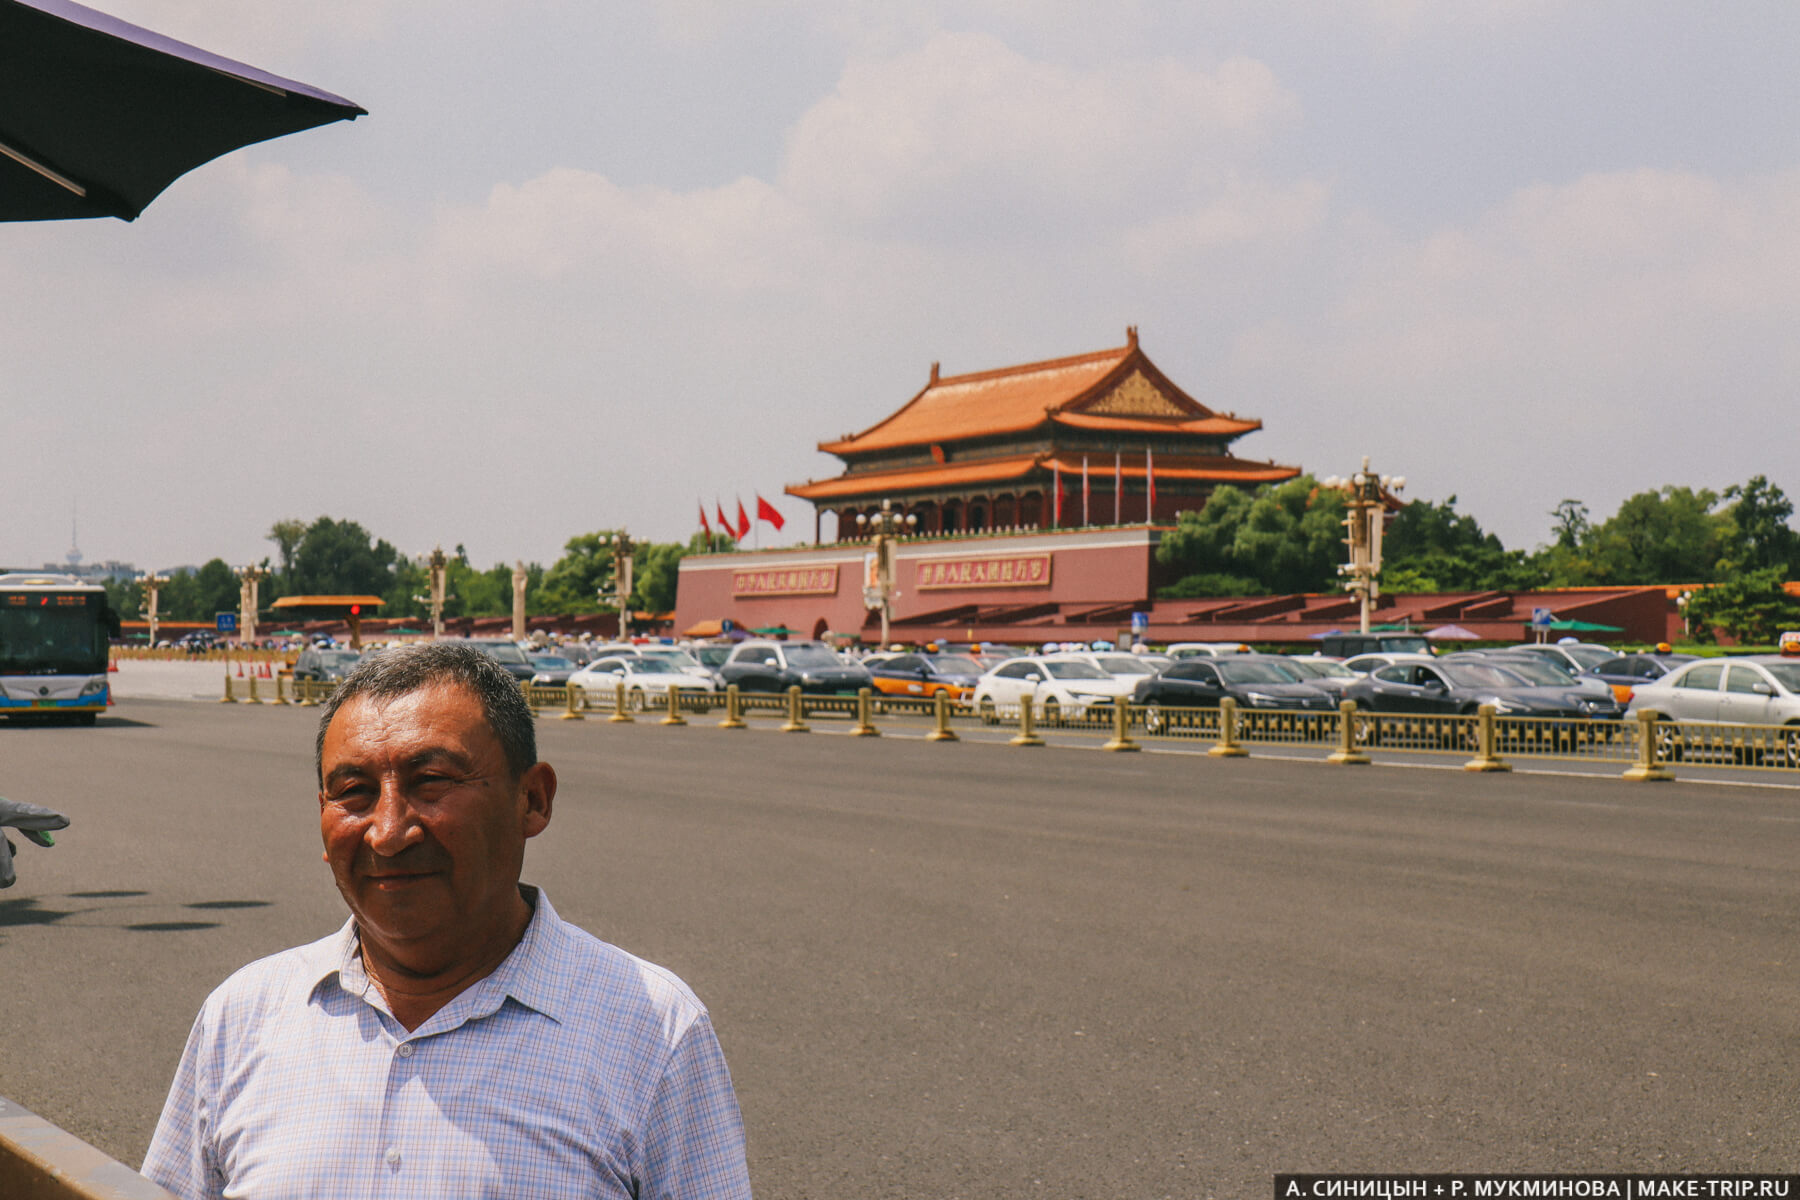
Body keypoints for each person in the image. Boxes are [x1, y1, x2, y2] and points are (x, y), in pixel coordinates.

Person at [142, 642, 751, 1199]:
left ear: (532, 800)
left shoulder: (652, 1033)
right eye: (353, 791)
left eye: (431, 781)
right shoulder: (244, 1016)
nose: (388, 831)